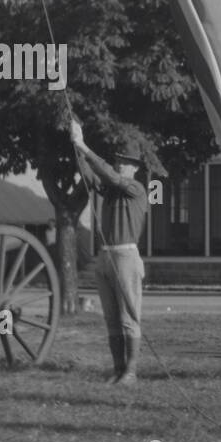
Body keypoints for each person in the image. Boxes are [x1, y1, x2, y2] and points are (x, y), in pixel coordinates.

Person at [71, 120, 149, 385]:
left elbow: (108, 175)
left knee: (129, 319)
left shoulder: (136, 189)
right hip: (104, 256)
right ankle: (118, 369)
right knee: (111, 318)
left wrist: (84, 145)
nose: (119, 165)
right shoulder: (112, 186)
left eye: (125, 162)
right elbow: (93, 173)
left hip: (126, 256)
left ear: (135, 167)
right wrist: (77, 147)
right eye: (118, 160)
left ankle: (131, 372)